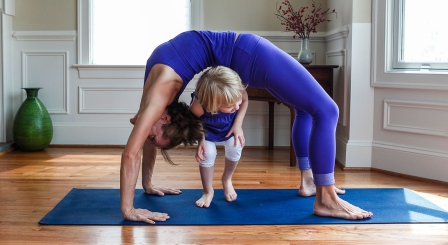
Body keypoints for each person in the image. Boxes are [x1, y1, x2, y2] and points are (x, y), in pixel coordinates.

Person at [121, 30, 373, 224]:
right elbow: (142, 141)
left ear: (164, 119)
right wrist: (148, 184)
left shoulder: (157, 98)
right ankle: (312, 185)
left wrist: (128, 209)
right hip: (245, 56)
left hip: (251, 55)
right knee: (314, 109)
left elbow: (130, 152)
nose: (145, 134)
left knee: (325, 111)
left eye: (152, 136)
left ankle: (324, 195)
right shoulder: (157, 101)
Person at [190, 66, 248, 208]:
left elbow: (245, 101)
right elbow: (193, 119)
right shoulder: (199, 105)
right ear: (213, 105)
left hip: (230, 127)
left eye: (237, 100)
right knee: (207, 154)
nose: (236, 107)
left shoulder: (238, 90)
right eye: (229, 106)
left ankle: (227, 179)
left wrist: (238, 125)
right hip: (207, 131)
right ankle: (207, 191)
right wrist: (201, 139)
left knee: (236, 146)